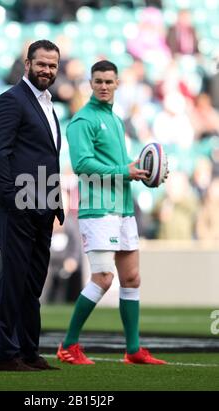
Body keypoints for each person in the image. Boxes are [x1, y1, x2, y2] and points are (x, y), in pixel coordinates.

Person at [57, 60, 166, 365]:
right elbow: (81, 165)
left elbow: (122, 165)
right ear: (90, 84)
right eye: (98, 81)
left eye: (109, 81)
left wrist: (144, 172)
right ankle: (68, 345)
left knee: (131, 278)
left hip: (123, 208)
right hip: (98, 208)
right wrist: (124, 170)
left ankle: (132, 350)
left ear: (117, 83)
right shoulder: (82, 120)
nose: (104, 85)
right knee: (104, 278)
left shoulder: (116, 120)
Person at [0, 39, 64, 372]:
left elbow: (47, 156)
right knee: (14, 279)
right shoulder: (10, 101)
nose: (47, 70)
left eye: (53, 65)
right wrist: (11, 199)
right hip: (18, 203)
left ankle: (29, 351)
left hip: (44, 203)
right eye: (42, 63)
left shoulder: (49, 105)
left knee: (32, 282)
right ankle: (5, 355)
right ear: (27, 63)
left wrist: (55, 201)